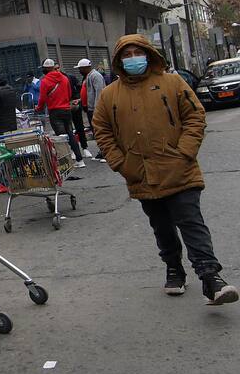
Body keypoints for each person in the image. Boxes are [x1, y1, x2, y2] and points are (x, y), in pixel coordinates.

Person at [93, 34, 238, 304]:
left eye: (137, 52)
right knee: (161, 226)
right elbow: (101, 130)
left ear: (148, 54)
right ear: (118, 61)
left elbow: (195, 116)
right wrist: (120, 163)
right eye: (127, 54)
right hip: (140, 174)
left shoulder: (172, 82)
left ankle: (211, 277)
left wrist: (184, 152)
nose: (133, 58)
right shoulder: (109, 95)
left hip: (179, 169)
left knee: (191, 222)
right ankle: (174, 269)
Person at [37, 59, 85, 168]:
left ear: (45, 68)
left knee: (60, 137)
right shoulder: (64, 78)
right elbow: (69, 94)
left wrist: (39, 108)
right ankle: (79, 159)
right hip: (66, 109)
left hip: (55, 111)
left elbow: (42, 98)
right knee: (70, 134)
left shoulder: (44, 81)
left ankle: (66, 163)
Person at [76, 58, 107, 162]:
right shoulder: (88, 76)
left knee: (100, 130)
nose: (79, 71)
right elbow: (88, 92)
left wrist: (97, 108)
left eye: (80, 69)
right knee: (96, 131)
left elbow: (99, 92)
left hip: (95, 109)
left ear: (85, 68)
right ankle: (101, 151)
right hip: (90, 108)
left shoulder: (95, 76)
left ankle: (106, 152)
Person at [62, 64, 92, 158]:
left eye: (58, 68)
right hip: (64, 107)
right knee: (68, 129)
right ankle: (73, 150)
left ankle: (85, 147)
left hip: (74, 105)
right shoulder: (54, 80)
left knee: (79, 126)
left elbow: (80, 89)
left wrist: (78, 99)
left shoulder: (70, 77)